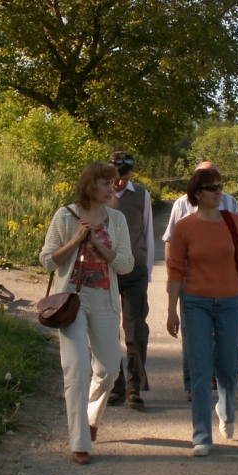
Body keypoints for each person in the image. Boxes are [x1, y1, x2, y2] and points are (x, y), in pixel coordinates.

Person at [40, 162, 135, 465]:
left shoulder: (117, 220)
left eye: (114, 183)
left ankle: (92, 416)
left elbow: (125, 265)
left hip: (105, 300)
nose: (113, 188)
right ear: (90, 185)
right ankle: (80, 442)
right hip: (72, 301)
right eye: (106, 183)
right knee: (77, 366)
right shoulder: (64, 216)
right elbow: (47, 261)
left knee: (109, 368)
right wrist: (76, 240)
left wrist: (96, 243)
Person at [166, 166, 238, 456]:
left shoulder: (235, 222)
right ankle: (201, 435)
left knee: (229, 368)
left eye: (220, 186)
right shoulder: (185, 227)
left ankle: (226, 410)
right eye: (212, 188)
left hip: (231, 302)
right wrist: (171, 309)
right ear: (196, 194)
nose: (219, 192)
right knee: (201, 370)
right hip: (195, 303)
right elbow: (176, 269)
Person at [162, 161, 238, 400]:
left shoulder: (230, 203)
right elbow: (170, 239)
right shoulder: (181, 205)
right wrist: (172, 274)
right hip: (190, 276)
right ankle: (193, 384)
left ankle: (217, 378)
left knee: (222, 334)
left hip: (224, 278)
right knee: (191, 333)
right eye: (206, 179)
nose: (215, 186)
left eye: (217, 179)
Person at [106, 151, 154, 409]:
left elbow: (147, 231)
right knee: (108, 330)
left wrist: (147, 271)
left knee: (135, 329)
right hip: (108, 270)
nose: (119, 182)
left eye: (124, 176)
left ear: (131, 173)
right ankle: (116, 384)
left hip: (135, 271)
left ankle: (135, 386)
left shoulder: (142, 195)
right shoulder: (101, 194)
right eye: (116, 176)